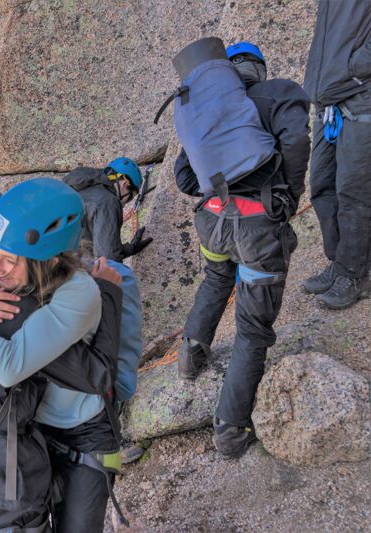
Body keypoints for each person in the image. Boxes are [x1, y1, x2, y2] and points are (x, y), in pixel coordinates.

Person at [0, 178, 125, 533]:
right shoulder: (20, 278)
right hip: (38, 430)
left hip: (84, 435)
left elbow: (9, 366)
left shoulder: (76, 294)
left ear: (47, 258)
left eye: (8, 260)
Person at [174, 41, 311, 458]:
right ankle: (230, 430)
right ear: (259, 68)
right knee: (252, 330)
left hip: (212, 222)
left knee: (216, 277)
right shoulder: (279, 93)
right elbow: (297, 141)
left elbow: (183, 177)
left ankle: (190, 356)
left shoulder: (206, 114)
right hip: (256, 230)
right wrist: (286, 194)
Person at [302, 0, 371, 308]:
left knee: (354, 193)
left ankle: (355, 275)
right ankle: (340, 262)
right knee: (322, 185)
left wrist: (355, 69)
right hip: (328, 100)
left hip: (360, 98)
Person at [63, 157, 152, 262]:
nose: (126, 203)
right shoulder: (108, 201)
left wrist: (130, 249)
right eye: (131, 197)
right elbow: (108, 258)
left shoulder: (76, 189)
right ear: (125, 184)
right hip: (71, 271)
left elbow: (94, 244)